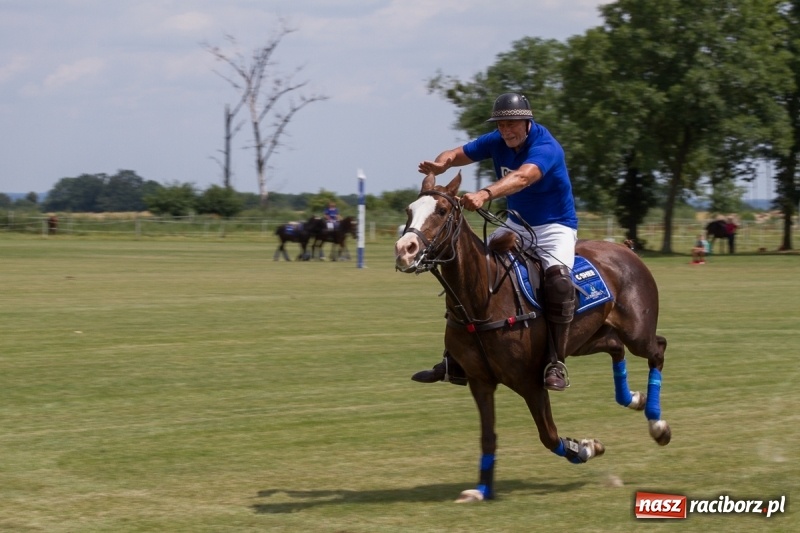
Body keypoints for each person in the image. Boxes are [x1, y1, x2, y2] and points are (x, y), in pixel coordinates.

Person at [411, 92, 578, 392]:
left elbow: (523, 177)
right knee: (470, 271)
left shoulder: (546, 147)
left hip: (555, 227)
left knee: (559, 284)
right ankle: (454, 357)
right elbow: (456, 153)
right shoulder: (497, 140)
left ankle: (555, 362)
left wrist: (484, 194)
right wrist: (442, 164)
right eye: (500, 125)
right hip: (516, 224)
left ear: (527, 122)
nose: (505, 130)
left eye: (511, 124)